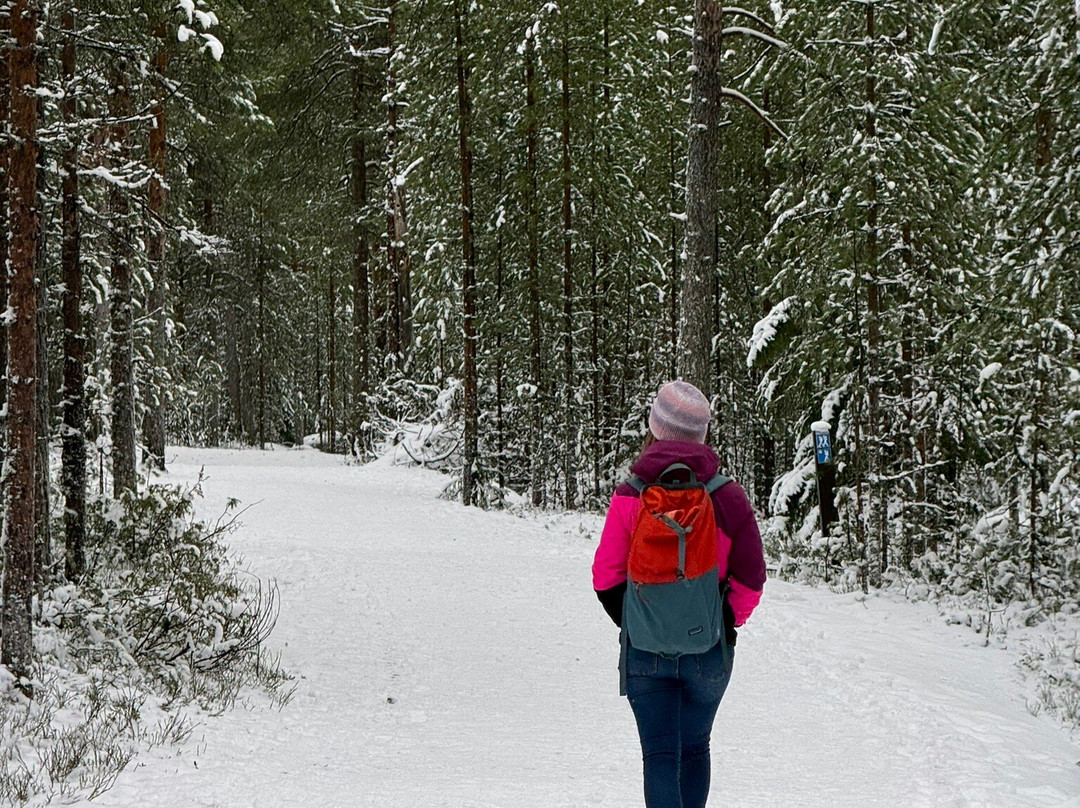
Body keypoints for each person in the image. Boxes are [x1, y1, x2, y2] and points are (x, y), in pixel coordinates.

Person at [592, 380, 766, 808]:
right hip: (707, 649)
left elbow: (605, 576)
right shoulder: (727, 496)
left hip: (646, 652)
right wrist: (724, 622)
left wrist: (638, 619)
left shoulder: (632, 494)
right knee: (694, 748)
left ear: (655, 427)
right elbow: (752, 577)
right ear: (701, 434)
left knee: (660, 755)